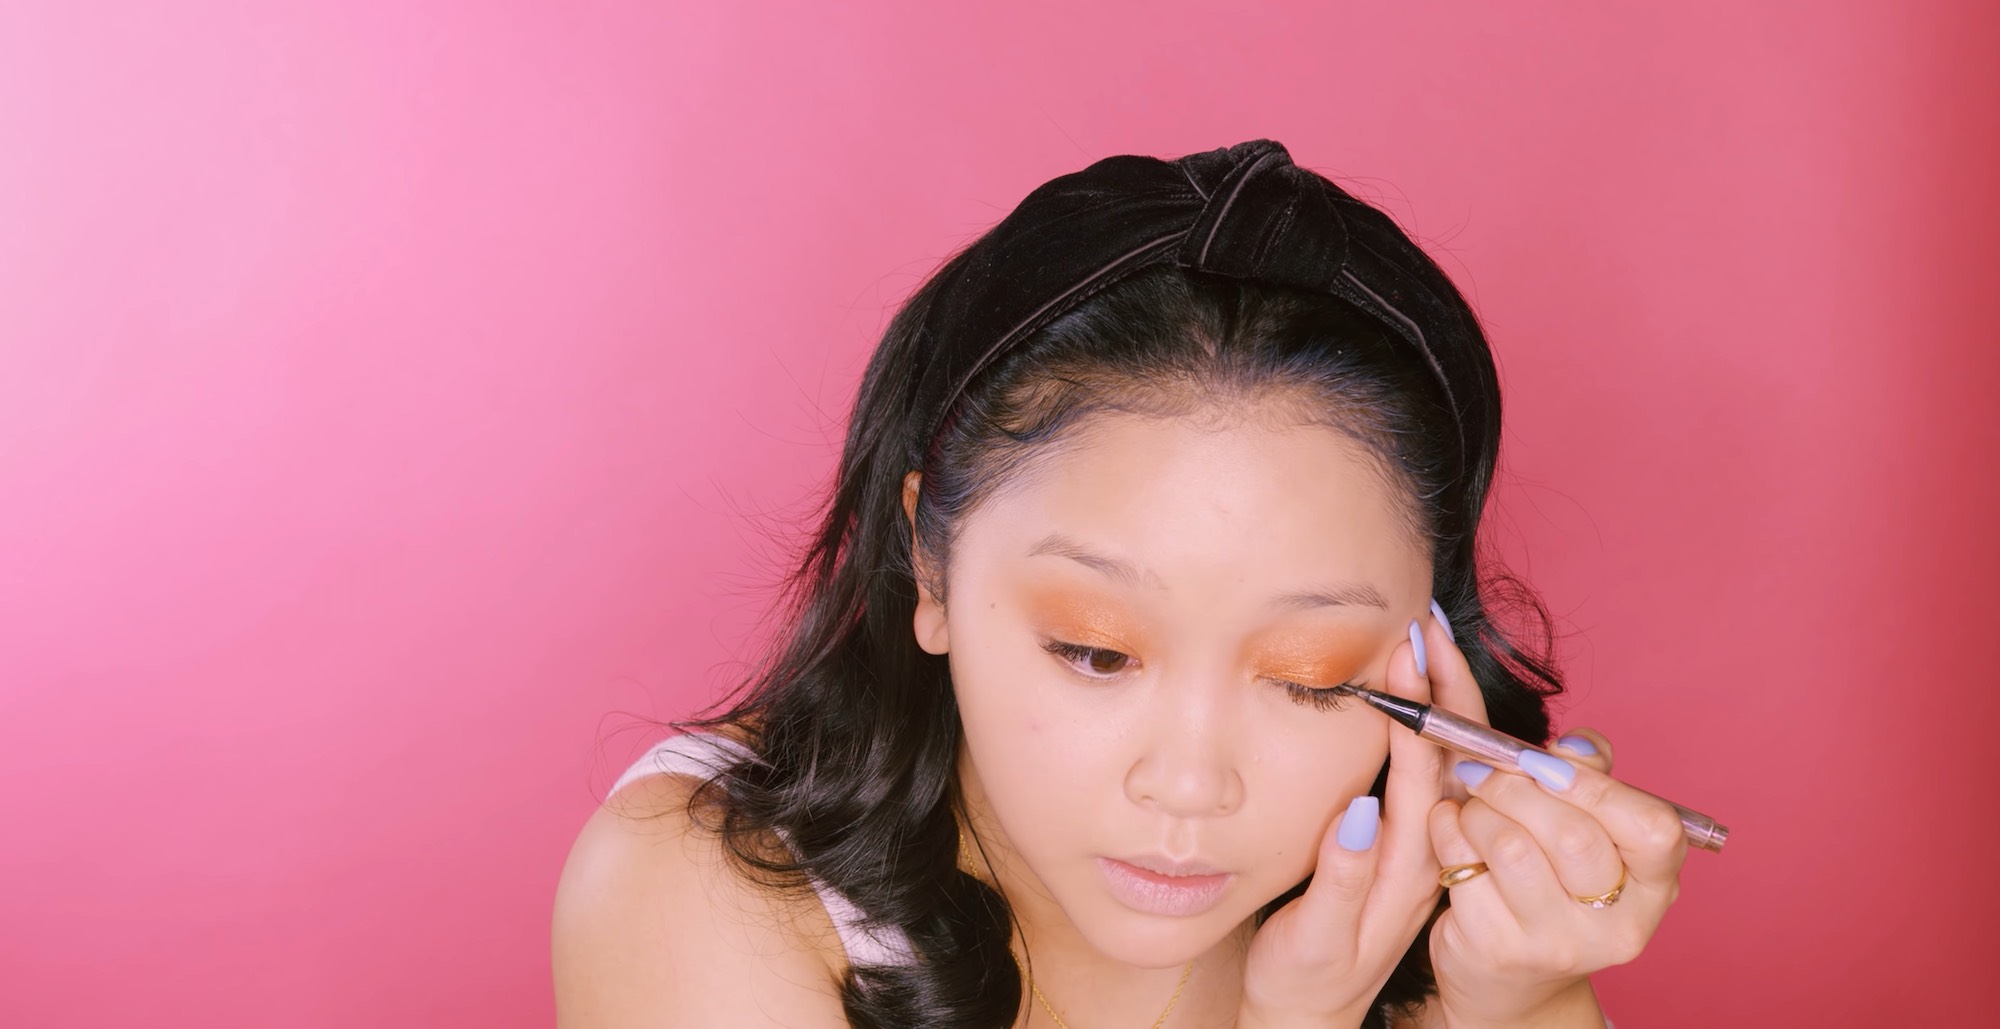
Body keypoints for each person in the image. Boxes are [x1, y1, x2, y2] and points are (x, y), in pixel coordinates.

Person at [551, 139, 1686, 1028]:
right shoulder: (705, 890)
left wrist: (1520, 1002)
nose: (1188, 786)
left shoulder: (1461, 931)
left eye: (1309, 679)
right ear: (930, 566)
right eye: (1095, 651)